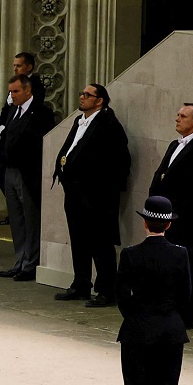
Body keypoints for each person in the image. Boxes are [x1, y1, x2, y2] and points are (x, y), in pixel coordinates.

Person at [116, 195, 193, 385]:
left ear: (145, 223)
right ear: (169, 225)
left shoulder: (130, 254)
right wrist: (172, 320)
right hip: (170, 335)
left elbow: (123, 298)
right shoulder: (180, 254)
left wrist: (139, 318)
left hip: (137, 333)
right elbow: (187, 297)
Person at [50, 82, 130, 306]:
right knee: (79, 239)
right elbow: (70, 148)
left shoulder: (108, 124)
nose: (82, 97)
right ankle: (81, 283)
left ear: (100, 100)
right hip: (75, 193)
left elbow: (119, 161)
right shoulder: (79, 121)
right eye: (81, 93)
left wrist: (97, 185)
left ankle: (107, 290)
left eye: (87, 94)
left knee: (100, 243)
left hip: (96, 197)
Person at [0, 73, 54, 280]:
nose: (13, 95)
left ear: (28, 91)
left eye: (16, 91)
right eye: (11, 91)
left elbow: (40, 142)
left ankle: (31, 263)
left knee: (31, 218)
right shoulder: (12, 111)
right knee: (16, 219)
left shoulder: (42, 113)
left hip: (28, 173)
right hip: (9, 170)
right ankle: (19, 260)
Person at [148, 101, 193, 271]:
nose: (177, 119)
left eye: (182, 116)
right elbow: (159, 175)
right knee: (165, 265)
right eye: (178, 115)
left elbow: (191, 187)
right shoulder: (174, 145)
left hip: (185, 218)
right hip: (164, 217)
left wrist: (169, 211)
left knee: (185, 266)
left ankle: (186, 299)